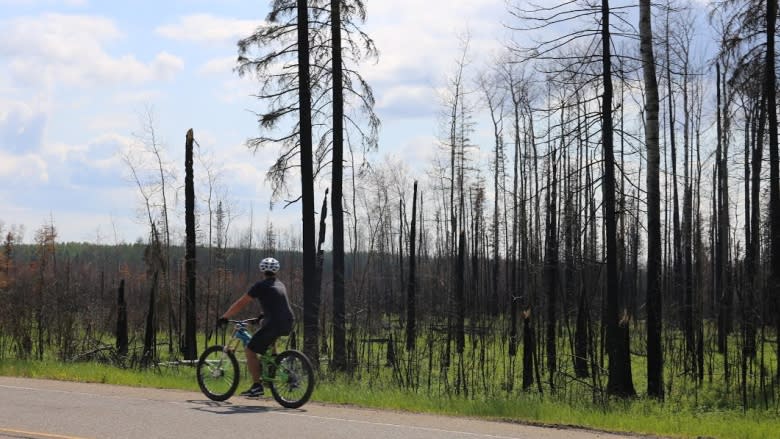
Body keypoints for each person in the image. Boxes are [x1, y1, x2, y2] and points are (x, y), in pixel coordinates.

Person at [217, 257, 294, 397]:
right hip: (288, 321)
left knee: (250, 349)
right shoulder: (280, 284)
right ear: (276, 271)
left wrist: (225, 317)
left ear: (262, 270)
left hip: (274, 322)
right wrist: (262, 316)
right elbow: (276, 303)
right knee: (269, 345)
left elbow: (241, 303)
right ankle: (272, 371)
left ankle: (257, 386)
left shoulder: (260, 285)